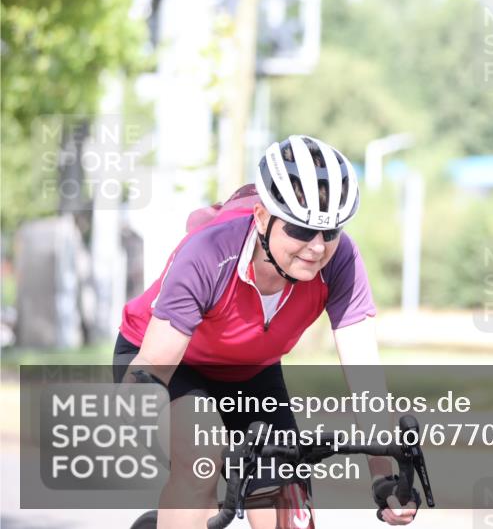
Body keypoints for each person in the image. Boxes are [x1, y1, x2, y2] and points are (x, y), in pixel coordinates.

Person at [113, 134, 418, 528]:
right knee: (201, 456)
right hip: (167, 364)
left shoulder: (340, 261)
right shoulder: (208, 254)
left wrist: (385, 475)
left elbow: (365, 380)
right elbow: (154, 369)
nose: (316, 247)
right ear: (261, 218)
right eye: (300, 230)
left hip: (250, 371)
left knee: (284, 490)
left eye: (330, 231)